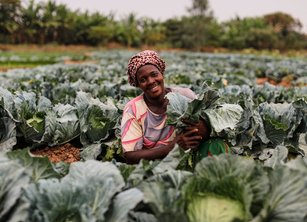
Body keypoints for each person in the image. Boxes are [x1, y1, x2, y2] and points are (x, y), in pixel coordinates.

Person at [120, 50, 223, 164]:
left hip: (191, 156)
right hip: (157, 165)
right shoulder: (133, 109)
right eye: (143, 80)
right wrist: (172, 148)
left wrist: (203, 127)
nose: (150, 81)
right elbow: (130, 155)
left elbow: (212, 123)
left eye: (154, 74)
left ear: (161, 74)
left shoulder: (185, 95)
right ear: (138, 84)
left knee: (217, 144)